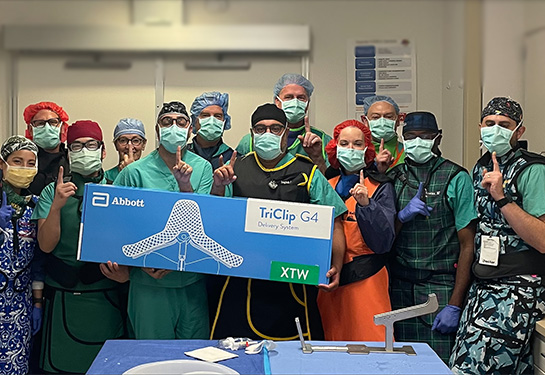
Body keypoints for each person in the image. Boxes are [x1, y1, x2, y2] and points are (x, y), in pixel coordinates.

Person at [210, 103, 347, 341]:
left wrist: (337, 265)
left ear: (286, 133)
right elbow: (216, 218)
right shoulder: (235, 168)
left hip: (291, 280)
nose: (268, 134)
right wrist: (219, 187)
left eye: (275, 129)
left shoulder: (307, 172)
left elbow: (333, 221)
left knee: (294, 352)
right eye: (260, 129)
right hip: (241, 279)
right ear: (252, 134)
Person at [450, 97, 545, 375]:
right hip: (483, 286)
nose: (495, 129)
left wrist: (502, 198)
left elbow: (542, 240)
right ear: (480, 127)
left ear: (519, 132)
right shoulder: (480, 168)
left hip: (517, 290)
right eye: (489, 124)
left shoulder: (533, 170)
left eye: (504, 125)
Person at [112, 101, 213, 340]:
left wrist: (185, 185)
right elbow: (115, 225)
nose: (174, 127)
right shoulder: (134, 172)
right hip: (148, 285)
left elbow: (207, 223)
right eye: (167, 122)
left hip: (191, 282)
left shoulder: (203, 169)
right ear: (157, 131)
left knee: (193, 358)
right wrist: (138, 263)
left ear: (190, 130)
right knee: (152, 359)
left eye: (181, 122)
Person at [32, 120, 125, 373]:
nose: (85, 151)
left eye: (91, 145)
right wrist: (57, 207)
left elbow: (129, 245)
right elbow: (46, 245)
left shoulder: (118, 191)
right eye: (77, 146)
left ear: (103, 151)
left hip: (105, 295)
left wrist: (124, 275)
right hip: (62, 295)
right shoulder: (54, 191)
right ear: (68, 152)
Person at [388, 111, 477, 362]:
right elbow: (382, 240)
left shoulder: (456, 177)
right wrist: (401, 217)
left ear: (438, 139)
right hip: (399, 289)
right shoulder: (392, 177)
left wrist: (455, 304)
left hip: (440, 288)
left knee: (438, 364)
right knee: (400, 365)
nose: (418, 142)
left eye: (425, 136)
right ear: (402, 139)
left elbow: (467, 245)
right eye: (411, 136)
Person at [317, 120, 395, 341]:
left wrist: (366, 206)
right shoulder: (325, 184)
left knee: (372, 346)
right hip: (329, 280)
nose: (350, 149)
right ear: (334, 147)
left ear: (367, 150)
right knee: (330, 344)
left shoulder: (380, 186)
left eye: (357, 144)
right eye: (344, 143)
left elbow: (384, 242)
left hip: (367, 279)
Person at [0, 136, 41, 375]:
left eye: (30, 163)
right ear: (3, 164)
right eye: (17, 161)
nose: (23, 169)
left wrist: (37, 302)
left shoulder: (35, 207)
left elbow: (38, 262)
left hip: (20, 306)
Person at [236, 73, 331, 174]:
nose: (295, 102)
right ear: (277, 101)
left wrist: (317, 158)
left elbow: (330, 184)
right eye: (289, 97)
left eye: (301, 98)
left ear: (307, 104)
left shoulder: (322, 140)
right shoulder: (251, 140)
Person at [23, 101, 70, 195]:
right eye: (40, 123)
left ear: (62, 128)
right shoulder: (23, 161)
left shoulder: (71, 160)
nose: (47, 128)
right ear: (30, 130)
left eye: (53, 122)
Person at [188, 91, 234, 170]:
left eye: (218, 116)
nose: (212, 121)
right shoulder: (182, 155)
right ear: (195, 121)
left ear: (225, 122)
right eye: (205, 115)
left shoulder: (233, 158)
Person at [363, 95, 405, 172]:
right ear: (365, 121)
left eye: (388, 117)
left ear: (398, 121)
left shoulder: (408, 152)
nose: (382, 122)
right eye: (375, 117)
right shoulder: (358, 153)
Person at [105, 118, 147, 184]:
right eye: (123, 141)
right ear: (116, 145)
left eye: (135, 141)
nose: (129, 147)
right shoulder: (106, 177)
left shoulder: (151, 176)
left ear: (144, 144)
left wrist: (132, 171)